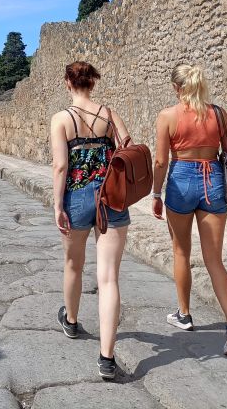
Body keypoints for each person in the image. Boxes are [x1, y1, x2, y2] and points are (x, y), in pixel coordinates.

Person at [150, 63, 227, 357]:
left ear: (177, 88)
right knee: (214, 260)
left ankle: (185, 314)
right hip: (213, 180)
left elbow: (161, 162)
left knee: (181, 251)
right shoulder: (218, 114)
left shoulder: (167, 116)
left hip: (181, 180)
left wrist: (155, 192)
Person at [50, 61, 130, 381]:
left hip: (78, 196)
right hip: (111, 195)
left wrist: (58, 206)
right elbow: (127, 146)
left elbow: (60, 167)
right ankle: (107, 358)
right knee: (109, 277)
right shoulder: (109, 114)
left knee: (73, 264)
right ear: (92, 84)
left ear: (68, 83)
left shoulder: (61, 119)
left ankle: (70, 320)